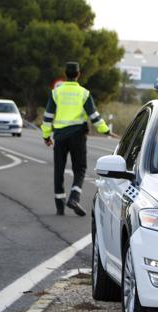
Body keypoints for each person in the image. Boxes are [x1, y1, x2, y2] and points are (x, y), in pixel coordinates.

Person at [42, 62, 110, 216]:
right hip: (78, 136)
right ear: (78, 74)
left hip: (59, 136)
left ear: (65, 74)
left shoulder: (56, 93)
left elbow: (47, 117)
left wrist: (46, 135)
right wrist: (105, 130)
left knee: (59, 169)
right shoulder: (84, 93)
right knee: (80, 169)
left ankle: (60, 206)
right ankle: (74, 196)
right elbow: (94, 117)